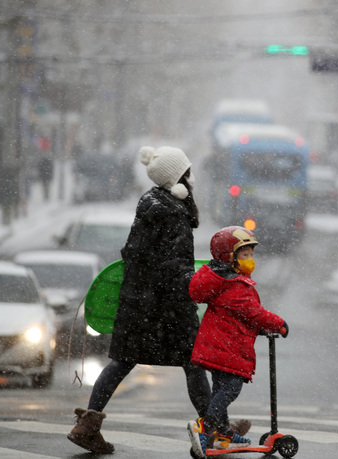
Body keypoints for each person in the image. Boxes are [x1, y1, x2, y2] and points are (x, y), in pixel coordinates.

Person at [68, 146, 211, 454]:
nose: (192, 177)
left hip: (137, 303)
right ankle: (213, 428)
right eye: (187, 171)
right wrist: (199, 285)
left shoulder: (150, 206)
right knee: (194, 362)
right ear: (177, 179)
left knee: (121, 362)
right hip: (167, 307)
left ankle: (87, 426)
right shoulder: (174, 213)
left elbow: (135, 256)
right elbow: (175, 267)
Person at [186, 226, 288, 457]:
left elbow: (242, 315)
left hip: (217, 348)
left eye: (251, 255)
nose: (250, 260)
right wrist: (279, 324)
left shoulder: (225, 281)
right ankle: (206, 425)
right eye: (245, 255)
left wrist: (259, 327)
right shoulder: (236, 286)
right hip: (227, 349)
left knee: (220, 388)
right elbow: (254, 312)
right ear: (229, 257)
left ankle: (223, 432)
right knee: (231, 389)